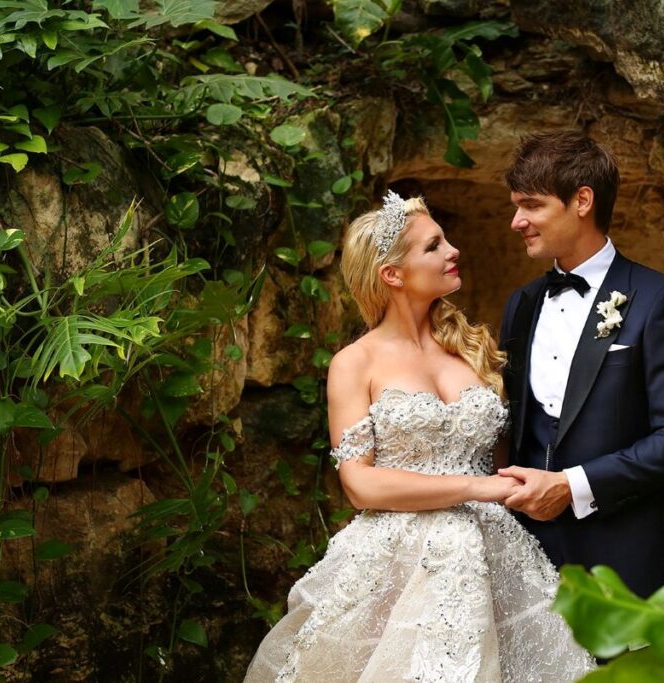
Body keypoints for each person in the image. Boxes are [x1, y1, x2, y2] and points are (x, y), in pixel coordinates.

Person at [245, 192, 593, 682]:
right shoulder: (355, 363)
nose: (453, 251)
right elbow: (359, 485)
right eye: (434, 246)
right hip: (400, 565)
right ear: (392, 274)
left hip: (495, 554)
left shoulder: (473, 349)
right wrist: (478, 488)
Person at [498, 130, 664, 599]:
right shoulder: (522, 305)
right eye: (516, 206)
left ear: (582, 200)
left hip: (635, 559)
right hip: (532, 560)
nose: (517, 221)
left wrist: (572, 486)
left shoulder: (662, 301)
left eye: (532, 205)